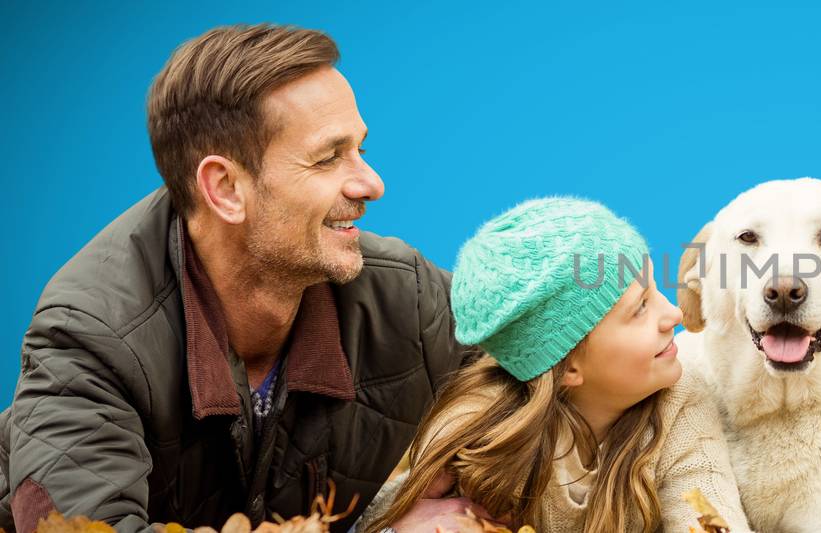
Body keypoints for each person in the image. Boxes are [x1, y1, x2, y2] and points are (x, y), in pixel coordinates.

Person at [0, 24, 476, 532]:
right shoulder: (92, 339)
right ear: (225, 187)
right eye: (328, 157)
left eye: (360, 149)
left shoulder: (408, 298)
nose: (371, 183)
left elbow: (553, 395)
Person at [359, 198, 751, 533]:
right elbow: (379, 515)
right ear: (567, 368)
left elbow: (710, 516)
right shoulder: (484, 435)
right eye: (640, 309)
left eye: (655, 290)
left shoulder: (681, 405)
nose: (675, 314)